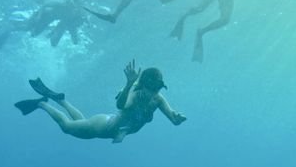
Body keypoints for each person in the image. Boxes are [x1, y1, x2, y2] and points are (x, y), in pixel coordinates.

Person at [14, 60, 186, 143]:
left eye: (158, 88)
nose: (155, 92)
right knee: (67, 127)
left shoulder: (158, 99)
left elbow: (173, 119)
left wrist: (176, 118)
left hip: (108, 127)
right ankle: (41, 104)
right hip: (102, 126)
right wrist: (127, 84)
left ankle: (62, 101)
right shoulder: (135, 92)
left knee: (80, 122)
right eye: (153, 88)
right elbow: (120, 106)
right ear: (145, 85)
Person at [0, 0, 86, 49]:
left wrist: (53, 32)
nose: (73, 8)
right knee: (27, 27)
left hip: (46, 20)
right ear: (70, 2)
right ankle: (11, 27)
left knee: (33, 34)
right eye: (73, 5)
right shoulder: (61, 3)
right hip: (41, 16)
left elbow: (62, 25)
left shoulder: (71, 13)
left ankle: (14, 25)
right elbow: (45, 4)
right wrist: (38, 16)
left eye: (76, 7)